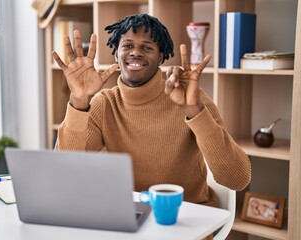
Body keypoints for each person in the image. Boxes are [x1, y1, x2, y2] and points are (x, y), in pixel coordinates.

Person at [52, 14, 251, 207]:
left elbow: (238, 179)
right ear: (116, 54)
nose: (135, 52)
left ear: (161, 57)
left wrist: (195, 111)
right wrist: (78, 99)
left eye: (147, 47)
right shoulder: (104, 103)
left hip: (187, 216)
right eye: (127, 45)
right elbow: (63, 174)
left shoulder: (189, 98)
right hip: (131, 215)